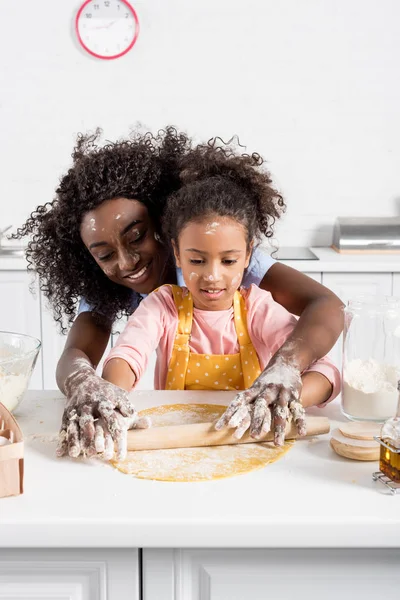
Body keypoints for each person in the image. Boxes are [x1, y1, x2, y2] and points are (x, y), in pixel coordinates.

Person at [15, 126, 344, 460]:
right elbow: (94, 355)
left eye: (137, 236)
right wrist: (89, 387)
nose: (127, 262)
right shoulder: (159, 304)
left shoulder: (222, 252)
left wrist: (285, 373)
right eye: (105, 255)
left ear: (163, 223)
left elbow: (327, 306)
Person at [102, 174, 340, 455]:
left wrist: (281, 395)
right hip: (179, 446)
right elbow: (127, 355)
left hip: (251, 441)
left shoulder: (258, 309)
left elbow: (327, 372)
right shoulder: (163, 306)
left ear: (248, 254)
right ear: (177, 254)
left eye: (228, 261)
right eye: (197, 260)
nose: (212, 276)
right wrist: (111, 397)